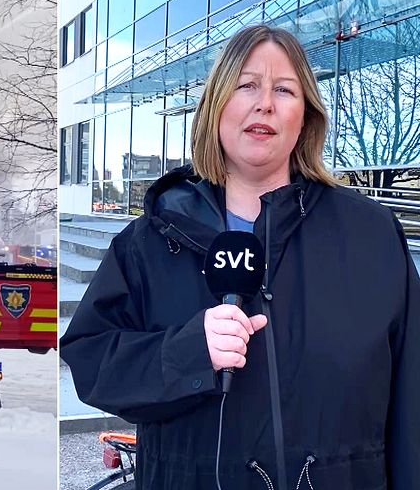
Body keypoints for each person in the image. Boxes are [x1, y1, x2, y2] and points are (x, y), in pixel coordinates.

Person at [60, 24, 419, 490]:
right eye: (246, 85)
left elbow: (412, 404)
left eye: (284, 90)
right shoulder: (148, 241)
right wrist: (187, 353)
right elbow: (91, 360)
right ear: (216, 108)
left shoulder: (371, 236)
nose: (264, 103)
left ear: (305, 116)